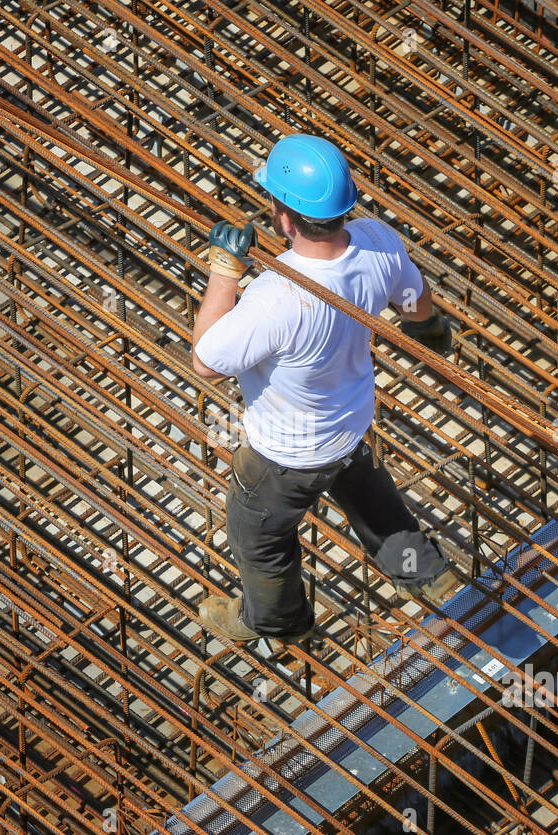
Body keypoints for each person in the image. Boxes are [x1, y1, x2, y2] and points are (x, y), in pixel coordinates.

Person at [193, 133, 457, 645]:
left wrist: (224, 274)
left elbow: (206, 361)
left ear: (286, 219)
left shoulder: (277, 296)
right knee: (377, 506)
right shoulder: (379, 240)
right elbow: (414, 302)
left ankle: (274, 620)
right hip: (351, 425)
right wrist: (431, 332)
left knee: (259, 537)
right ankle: (430, 577)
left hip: (286, 455)